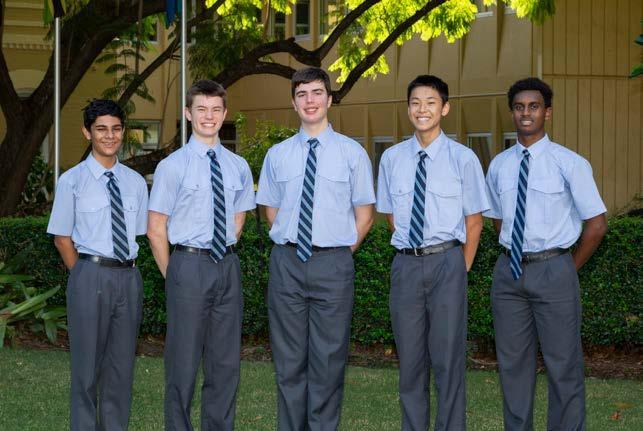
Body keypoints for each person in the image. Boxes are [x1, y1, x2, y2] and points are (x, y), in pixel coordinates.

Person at [256, 67, 375, 430]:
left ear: (330, 99)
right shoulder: (277, 155)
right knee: (289, 361)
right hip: (287, 263)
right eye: (302, 94)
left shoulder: (352, 153)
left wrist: (338, 254)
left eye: (317, 92)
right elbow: (271, 211)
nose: (310, 101)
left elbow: (365, 216)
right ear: (294, 103)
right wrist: (294, 243)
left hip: (333, 264)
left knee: (328, 361)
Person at [485, 77, 607, 431]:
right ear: (512, 112)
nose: (526, 113)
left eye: (534, 106)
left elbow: (597, 225)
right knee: (512, 367)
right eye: (519, 107)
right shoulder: (499, 165)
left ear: (547, 113)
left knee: (563, 365)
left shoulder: (570, 163)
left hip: (555, 269)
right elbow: (498, 220)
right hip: (509, 275)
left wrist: (567, 267)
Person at [376, 75, 489, 430]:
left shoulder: (463, 158)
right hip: (406, 266)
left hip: (448, 264)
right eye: (415, 103)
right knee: (410, 362)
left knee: (448, 360)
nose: (422, 109)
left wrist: (460, 267)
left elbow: (475, 221)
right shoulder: (391, 158)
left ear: (445, 108)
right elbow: (392, 218)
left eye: (430, 102)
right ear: (408, 108)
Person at [147, 80, 255, 431]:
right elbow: (156, 228)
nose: (209, 116)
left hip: (227, 265)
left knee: (225, 363)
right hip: (188, 265)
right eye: (201, 109)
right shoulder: (172, 166)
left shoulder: (238, 165)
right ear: (188, 113)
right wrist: (176, 274)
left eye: (215, 110)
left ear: (224, 114)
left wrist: (221, 252)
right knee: (183, 362)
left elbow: (238, 218)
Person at [47, 99, 148, 430]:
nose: (109, 136)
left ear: (123, 132)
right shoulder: (72, 181)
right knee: (86, 369)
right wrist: (83, 275)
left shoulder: (135, 182)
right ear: (87, 132)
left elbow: (137, 232)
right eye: (101, 129)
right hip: (89, 273)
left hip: (128, 277)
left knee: (121, 368)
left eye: (116, 129)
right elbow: (62, 238)